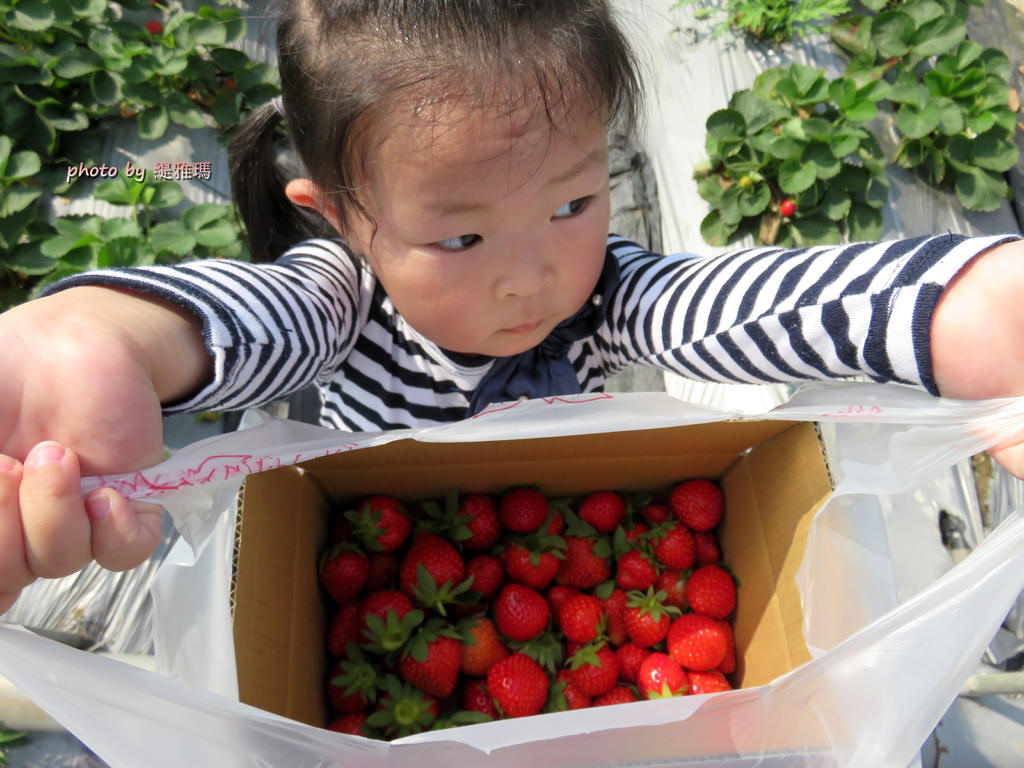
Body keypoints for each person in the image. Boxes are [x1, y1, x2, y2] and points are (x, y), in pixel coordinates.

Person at [1, 0, 1022, 614]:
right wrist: (107, 340)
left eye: (572, 201)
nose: (530, 276)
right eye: (461, 237)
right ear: (343, 221)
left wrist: (958, 311)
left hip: (546, 540)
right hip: (387, 532)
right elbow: (255, 316)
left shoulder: (605, 295)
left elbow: (715, 301)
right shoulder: (338, 297)